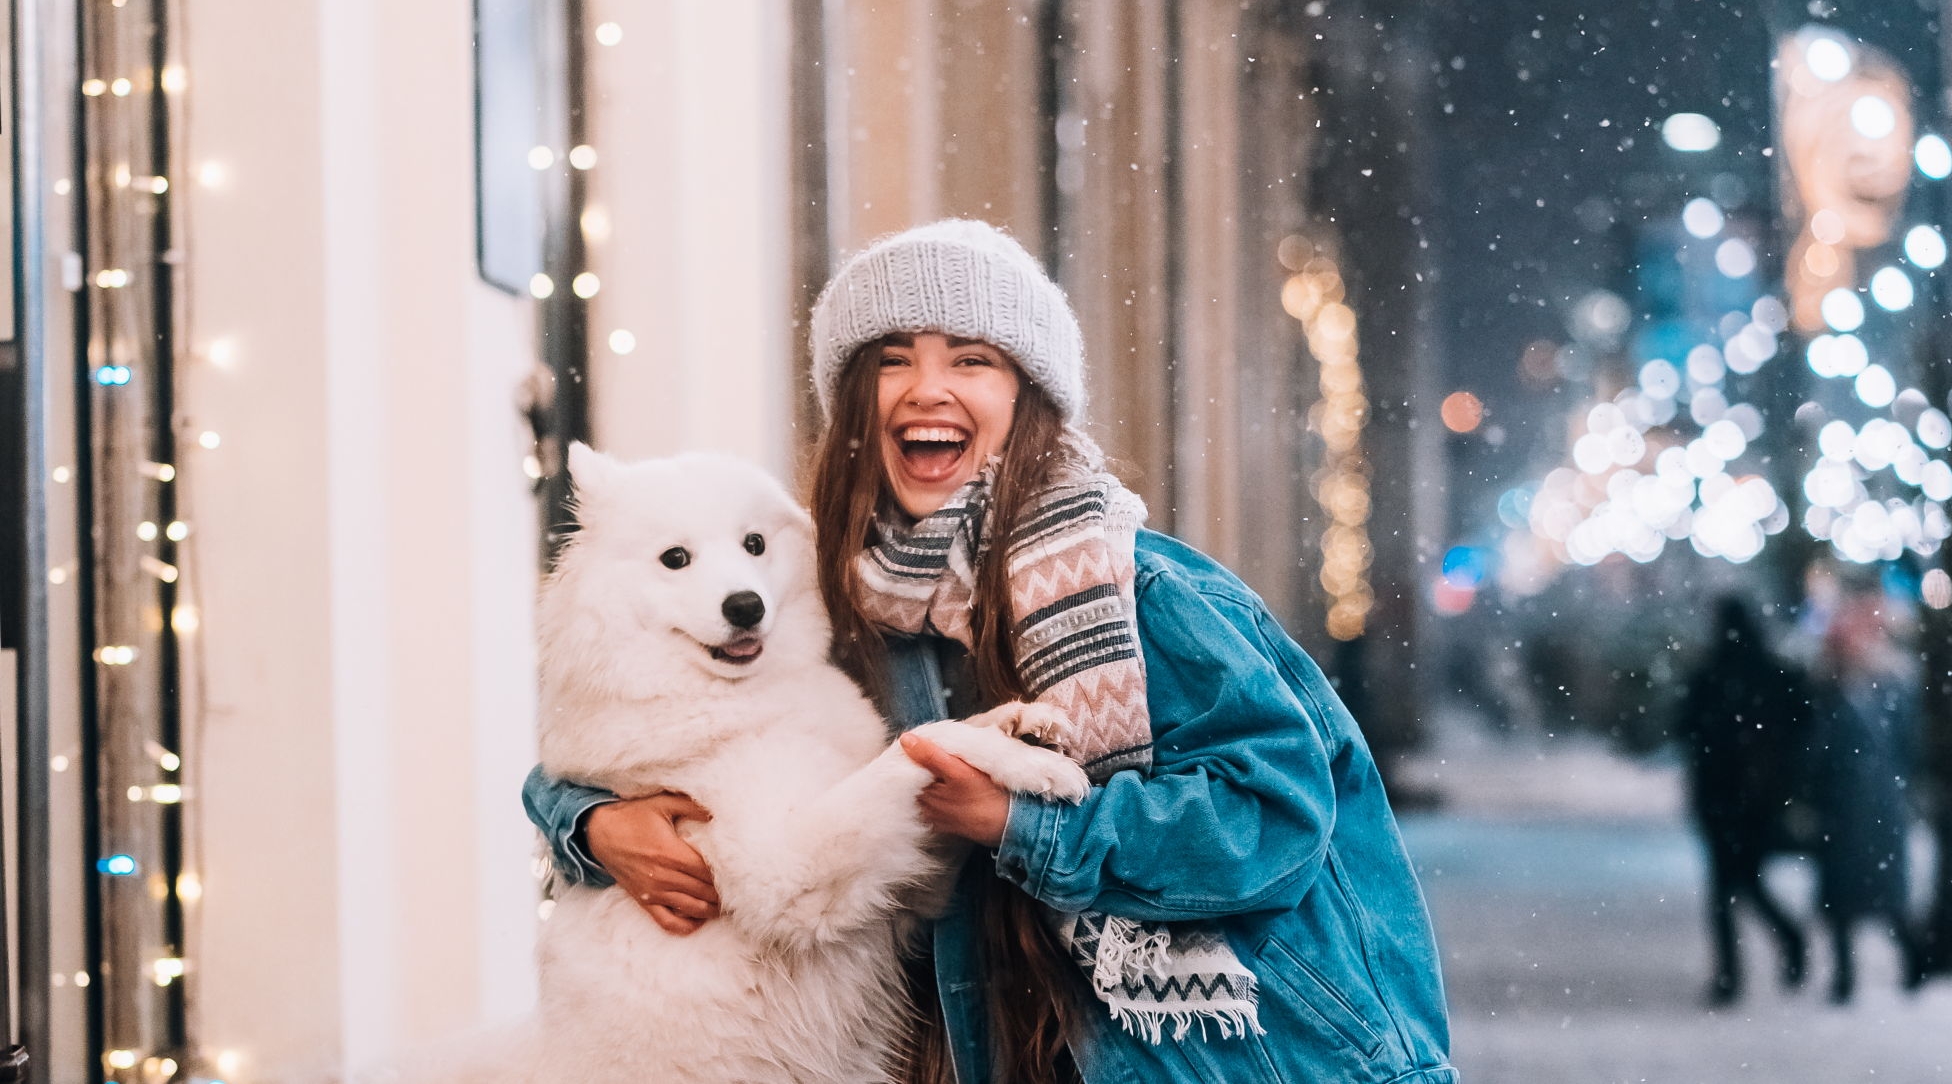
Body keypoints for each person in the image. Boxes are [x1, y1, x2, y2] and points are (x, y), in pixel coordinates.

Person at [524, 220, 1457, 1084]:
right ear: (858, 405)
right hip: (990, 1045)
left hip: (1235, 1057)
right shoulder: (831, 603)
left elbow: (1277, 821)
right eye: (893, 361)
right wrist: (589, 822)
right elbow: (672, 734)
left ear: (1027, 399)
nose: (928, 386)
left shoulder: (1148, 591)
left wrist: (1023, 823)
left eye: (970, 358)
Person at [1674, 595, 1811, 1005]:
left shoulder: (1711, 675)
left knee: (1725, 888)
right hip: (1757, 799)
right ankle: (1782, 942)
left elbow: (1686, 729)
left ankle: (1732, 974)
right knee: (1746, 883)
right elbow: (1801, 724)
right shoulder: (1772, 673)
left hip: (1721, 799)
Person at [1808, 575, 1924, 1004]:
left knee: (1884, 894)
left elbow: (1909, 745)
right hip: (1845, 805)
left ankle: (1911, 961)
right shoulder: (1831, 681)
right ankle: (1845, 976)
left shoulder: (1894, 679)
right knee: (1844, 897)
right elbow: (1818, 747)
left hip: (1878, 804)